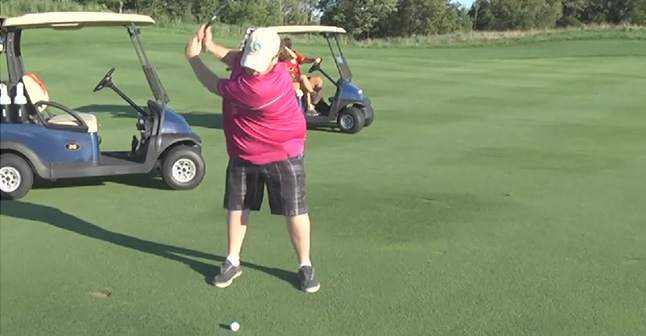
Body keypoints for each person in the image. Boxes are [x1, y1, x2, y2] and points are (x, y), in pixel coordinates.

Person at [185, 25, 321, 293]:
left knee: (294, 210)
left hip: (283, 151)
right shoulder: (255, 63)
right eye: (249, 60)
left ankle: (305, 265)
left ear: (276, 59)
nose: (252, 69)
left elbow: (214, 84)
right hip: (243, 150)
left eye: (258, 64)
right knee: (237, 206)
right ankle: (232, 260)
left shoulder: (260, 87)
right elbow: (235, 58)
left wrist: (194, 57)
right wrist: (211, 46)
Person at [282, 38, 325, 116]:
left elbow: (303, 59)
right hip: (291, 82)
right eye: (288, 46)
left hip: (299, 79)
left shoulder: (294, 54)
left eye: (290, 46)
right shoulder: (281, 58)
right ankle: (310, 104)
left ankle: (319, 103)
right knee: (303, 78)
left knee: (318, 80)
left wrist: (314, 60)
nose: (290, 48)